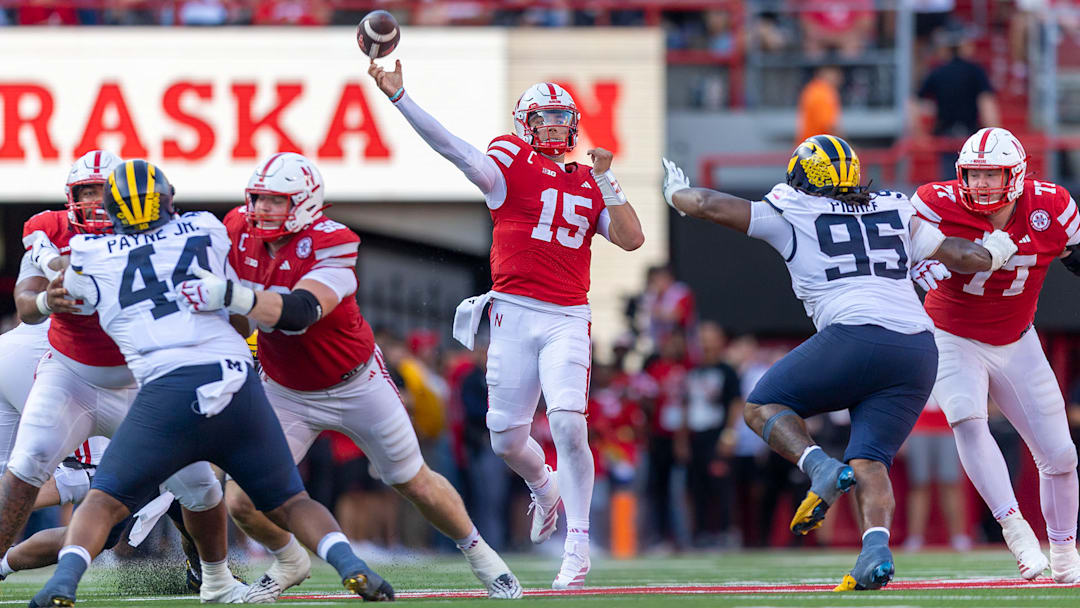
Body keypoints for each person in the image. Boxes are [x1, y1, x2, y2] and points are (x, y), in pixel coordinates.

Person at [31, 159, 393, 607]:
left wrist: (45, 260)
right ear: (167, 199)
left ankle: (62, 582)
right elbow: (239, 310)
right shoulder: (205, 227)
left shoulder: (90, 253)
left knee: (104, 501)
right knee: (290, 500)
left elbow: (65, 295)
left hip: (167, 390)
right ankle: (351, 566)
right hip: (237, 381)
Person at [661, 134, 1015, 590]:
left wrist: (674, 193)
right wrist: (1002, 249)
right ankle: (875, 554)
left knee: (761, 406)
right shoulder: (894, 205)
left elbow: (707, 202)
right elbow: (967, 257)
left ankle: (818, 467)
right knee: (870, 461)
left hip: (855, 335)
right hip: (917, 350)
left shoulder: (792, 206)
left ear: (802, 176)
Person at [176, 151, 520, 600]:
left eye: (274, 201)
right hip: (284, 388)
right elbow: (231, 313)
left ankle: (482, 556)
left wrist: (227, 294)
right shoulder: (237, 230)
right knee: (241, 499)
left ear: (305, 203)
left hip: (356, 383)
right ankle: (290, 559)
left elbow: (298, 313)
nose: (260, 210)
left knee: (412, 480)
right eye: (257, 199)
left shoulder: (333, 240)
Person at [368, 59, 645, 588]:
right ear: (524, 123)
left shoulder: (590, 181)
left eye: (563, 117)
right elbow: (452, 147)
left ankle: (578, 544)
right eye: (544, 117)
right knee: (504, 438)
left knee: (567, 422)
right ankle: (545, 485)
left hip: (567, 314)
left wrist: (608, 178)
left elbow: (631, 238)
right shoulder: (508, 163)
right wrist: (401, 98)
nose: (555, 127)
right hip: (513, 312)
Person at [8, 151, 246, 604]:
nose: (93, 201)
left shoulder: (154, 236)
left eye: (101, 190)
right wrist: (46, 288)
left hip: (140, 375)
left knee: (191, 485)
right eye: (84, 192)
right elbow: (31, 294)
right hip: (69, 367)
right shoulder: (54, 228)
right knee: (44, 472)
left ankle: (212, 576)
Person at [909, 127, 1080, 582]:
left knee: (1061, 456)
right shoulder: (934, 203)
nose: (982, 184)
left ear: (1018, 175)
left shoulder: (1054, 207)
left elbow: (1073, 254)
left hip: (1017, 338)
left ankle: (1065, 554)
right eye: (975, 174)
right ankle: (1016, 530)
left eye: (993, 174)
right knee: (966, 416)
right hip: (951, 334)